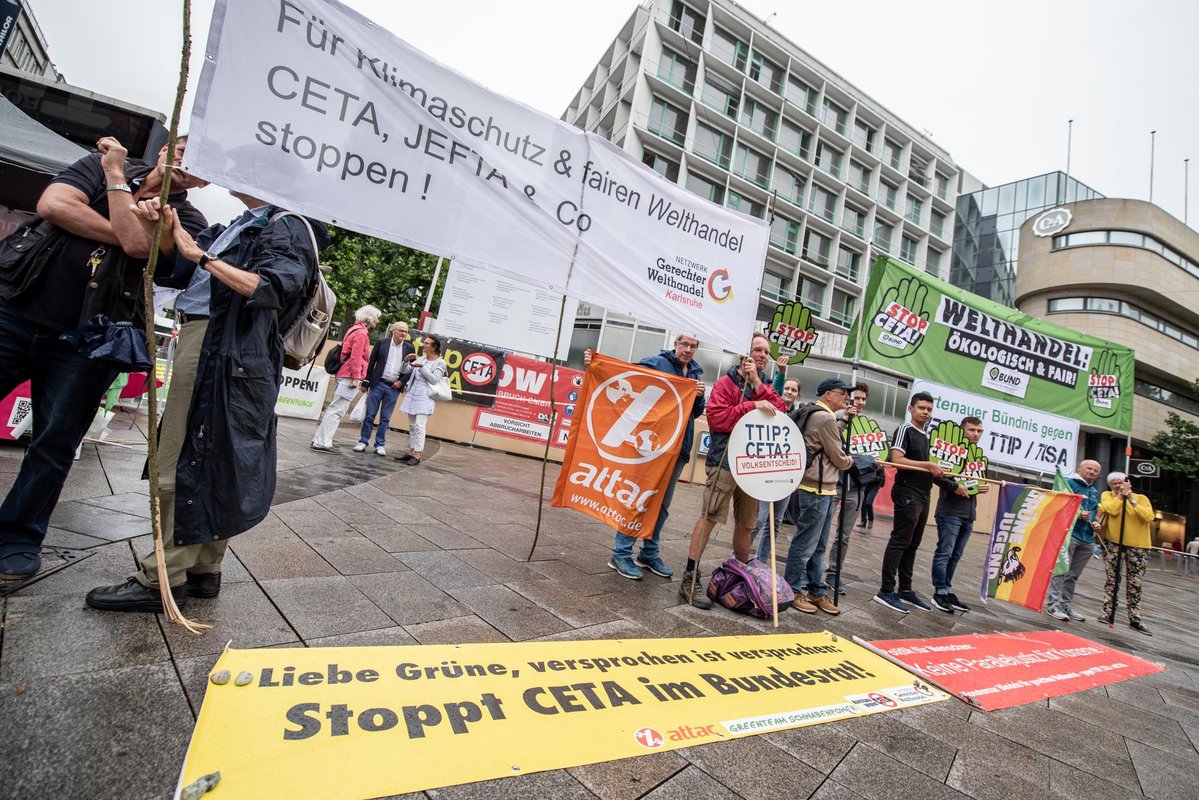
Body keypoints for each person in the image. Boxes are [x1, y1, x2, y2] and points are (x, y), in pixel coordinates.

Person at [86, 190, 326, 611]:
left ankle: (164, 577)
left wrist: (201, 255)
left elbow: (270, 286)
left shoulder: (283, 224)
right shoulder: (246, 223)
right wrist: (167, 234)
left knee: (182, 458)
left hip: (221, 344)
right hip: (226, 344)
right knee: (218, 456)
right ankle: (202, 570)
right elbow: (178, 272)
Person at [0, 136, 207, 582]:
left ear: (207, 180)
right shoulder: (102, 162)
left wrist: (114, 182)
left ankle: (16, 537)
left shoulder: (186, 217)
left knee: (54, 443)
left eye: (201, 160)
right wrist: (127, 222)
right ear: (166, 147)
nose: (188, 161)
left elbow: (139, 250)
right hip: (15, 306)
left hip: (90, 338)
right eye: (185, 148)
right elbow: (54, 205)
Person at [679, 333, 785, 608]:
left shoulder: (765, 385)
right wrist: (752, 405)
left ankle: (742, 576)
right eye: (757, 350)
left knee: (747, 523)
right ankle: (690, 577)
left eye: (766, 352)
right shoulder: (727, 383)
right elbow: (716, 419)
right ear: (743, 354)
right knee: (711, 516)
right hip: (725, 462)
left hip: (753, 467)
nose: (762, 355)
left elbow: (781, 412)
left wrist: (758, 385)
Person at [592, 335, 705, 581]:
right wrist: (597, 363)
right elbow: (627, 377)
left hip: (676, 450)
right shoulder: (657, 363)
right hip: (651, 450)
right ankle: (620, 553)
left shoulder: (695, 374)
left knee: (661, 507)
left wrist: (699, 397)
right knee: (639, 500)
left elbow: (694, 413)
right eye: (684, 344)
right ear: (675, 343)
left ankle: (648, 553)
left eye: (693, 346)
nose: (688, 349)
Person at [761, 377, 854, 615]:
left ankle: (816, 589)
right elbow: (837, 456)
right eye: (841, 392)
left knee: (819, 544)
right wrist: (853, 461)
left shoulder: (821, 416)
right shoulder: (824, 418)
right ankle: (793, 588)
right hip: (816, 488)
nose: (846, 397)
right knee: (806, 543)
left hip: (822, 487)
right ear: (827, 395)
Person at [874, 392, 946, 613]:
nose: (925, 412)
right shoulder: (905, 430)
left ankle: (905, 589)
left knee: (913, 544)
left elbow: (929, 469)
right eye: (922, 408)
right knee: (900, 540)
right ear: (911, 409)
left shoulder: (926, 435)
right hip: (907, 493)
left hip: (924, 494)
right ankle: (886, 590)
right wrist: (928, 465)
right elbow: (896, 460)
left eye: (929, 409)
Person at [930, 416, 989, 613]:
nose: (976, 434)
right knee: (945, 553)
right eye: (972, 430)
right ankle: (939, 592)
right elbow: (937, 476)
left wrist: (979, 487)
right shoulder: (948, 453)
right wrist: (955, 486)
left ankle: (947, 589)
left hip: (969, 513)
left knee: (955, 555)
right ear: (962, 430)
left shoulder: (977, 455)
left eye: (979, 431)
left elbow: (974, 482)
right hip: (949, 511)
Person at [823, 382, 871, 596]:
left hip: (856, 488)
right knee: (822, 530)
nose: (858, 403)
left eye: (862, 399)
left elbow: (875, 457)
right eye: (854, 399)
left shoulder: (870, 428)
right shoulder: (834, 419)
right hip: (834, 483)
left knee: (844, 535)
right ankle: (811, 571)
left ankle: (834, 574)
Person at [311, 305, 379, 451]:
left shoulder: (353, 329)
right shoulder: (361, 333)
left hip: (344, 373)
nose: (377, 321)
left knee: (334, 409)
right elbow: (356, 357)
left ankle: (320, 439)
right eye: (376, 317)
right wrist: (356, 377)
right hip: (349, 376)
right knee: (337, 410)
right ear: (369, 318)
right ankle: (323, 442)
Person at [747, 363, 799, 552]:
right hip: (766, 469)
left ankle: (761, 560)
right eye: (787, 388)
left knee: (775, 521)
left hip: (785, 473)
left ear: (798, 395)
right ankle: (739, 555)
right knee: (759, 519)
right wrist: (781, 373)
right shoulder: (774, 406)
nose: (789, 392)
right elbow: (773, 392)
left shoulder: (800, 414)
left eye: (793, 390)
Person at [1098, 472, 1155, 635]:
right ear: (1110, 485)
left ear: (1128, 483)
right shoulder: (1107, 496)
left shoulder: (1141, 498)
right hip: (1114, 543)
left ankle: (1135, 618)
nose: (1118, 485)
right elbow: (1111, 510)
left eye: (1121, 482)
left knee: (1135, 583)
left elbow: (1148, 517)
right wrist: (1120, 497)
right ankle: (1108, 612)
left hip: (1138, 545)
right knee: (1112, 579)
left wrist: (1130, 498)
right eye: (1114, 483)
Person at [1046, 459, 1103, 621]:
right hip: (1069, 535)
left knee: (1073, 575)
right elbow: (1057, 504)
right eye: (1089, 468)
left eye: (1096, 470)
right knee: (1061, 571)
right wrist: (1078, 514)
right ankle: (1053, 605)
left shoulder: (1094, 491)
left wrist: (1097, 523)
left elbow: (1094, 512)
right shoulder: (1068, 483)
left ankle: (1065, 605)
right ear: (1080, 468)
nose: (1092, 472)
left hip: (1087, 538)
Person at [355, 320, 414, 456]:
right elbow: (371, 363)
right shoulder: (382, 343)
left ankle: (380, 444)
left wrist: (401, 381)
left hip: (393, 387)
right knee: (370, 415)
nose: (404, 333)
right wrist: (366, 381)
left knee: (385, 418)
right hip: (378, 384)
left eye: (405, 331)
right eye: (401, 330)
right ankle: (363, 441)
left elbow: (411, 369)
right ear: (394, 331)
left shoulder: (409, 348)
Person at [394, 334, 448, 467]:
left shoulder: (440, 362)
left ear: (434, 347)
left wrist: (422, 368)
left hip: (426, 397)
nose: (424, 345)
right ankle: (411, 452)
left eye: (427, 343)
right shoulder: (422, 358)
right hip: (413, 395)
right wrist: (406, 361)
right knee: (412, 426)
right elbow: (404, 370)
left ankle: (417, 455)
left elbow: (434, 379)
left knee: (419, 426)